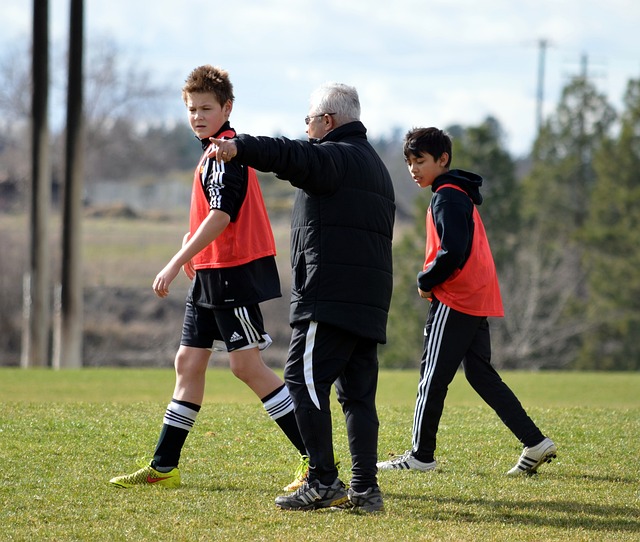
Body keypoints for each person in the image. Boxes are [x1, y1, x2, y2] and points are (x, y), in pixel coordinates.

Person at [109, 65, 306, 489]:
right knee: (188, 361)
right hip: (210, 273)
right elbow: (211, 215)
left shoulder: (225, 152)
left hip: (230, 273)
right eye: (192, 108)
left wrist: (174, 258)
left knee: (246, 366)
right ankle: (164, 468)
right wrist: (189, 242)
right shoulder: (210, 151)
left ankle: (315, 460)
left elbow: (222, 215)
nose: (198, 116)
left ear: (227, 108)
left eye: (206, 108)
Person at [210, 82, 395, 512]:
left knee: (300, 379)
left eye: (309, 120)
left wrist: (240, 146)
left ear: (327, 122)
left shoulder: (334, 156)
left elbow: (289, 155)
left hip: (328, 297)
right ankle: (366, 490)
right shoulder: (374, 164)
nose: (306, 128)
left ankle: (323, 480)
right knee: (357, 396)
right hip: (367, 299)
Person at [377, 127, 556, 476]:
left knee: (432, 376)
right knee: (480, 375)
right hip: (475, 295)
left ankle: (420, 456)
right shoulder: (455, 192)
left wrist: (426, 280)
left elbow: (453, 251)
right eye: (410, 162)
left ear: (442, 160)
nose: (414, 169)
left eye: (421, 161)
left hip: (456, 297)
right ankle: (535, 442)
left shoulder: (446, 195)